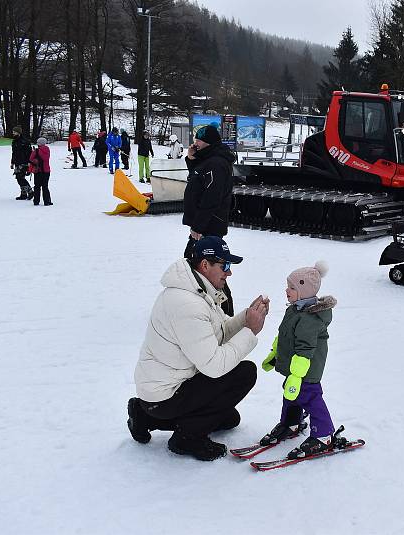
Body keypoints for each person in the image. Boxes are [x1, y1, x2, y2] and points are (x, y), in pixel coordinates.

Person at [128, 236, 269, 461]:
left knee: (228, 418)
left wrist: (245, 319)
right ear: (205, 265)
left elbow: (219, 332)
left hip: (161, 391)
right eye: (225, 266)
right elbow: (214, 366)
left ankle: (145, 417)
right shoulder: (187, 304)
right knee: (244, 373)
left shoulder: (197, 291)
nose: (229, 272)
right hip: (164, 395)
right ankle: (187, 438)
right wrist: (250, 332)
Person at [260, 261, 346, 459]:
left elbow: (305, 350)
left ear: (305, 291)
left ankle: (324, 435)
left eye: (292, 287)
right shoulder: (295, 310)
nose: (287, 290)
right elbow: (285, 335)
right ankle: (291, 423)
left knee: (309, 396)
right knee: (291, 394)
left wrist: (297, 375)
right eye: (287, 286)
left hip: (307, 367)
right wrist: (276, 353)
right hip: (296, 367)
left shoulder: (310, 318)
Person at [182, 124, 237, 315]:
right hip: (204, 225)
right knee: (194, 267)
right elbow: (198, 179)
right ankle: (201, 306)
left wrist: (198, 226)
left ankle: (224, 310)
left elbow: (211, 198)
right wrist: (191, 159)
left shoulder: (216, 163)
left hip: (208, 226)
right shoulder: (208, 160)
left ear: (209, 143)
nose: (195, 143)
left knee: (207, 270)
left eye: (199, 140)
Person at [10, 126, 34, 200]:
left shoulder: (25, 141)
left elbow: (30, 153)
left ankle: (30, 191)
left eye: (15, 132)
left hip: (24, 162)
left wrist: (29, 162)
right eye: (13, 132)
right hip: (17, 162)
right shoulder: (14, 141)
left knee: (20, 178)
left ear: (19, 133)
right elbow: (13, 153)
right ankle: (23, 194)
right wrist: (12, 162)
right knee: (19, 178)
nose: (13, 133)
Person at [29, 137, 52, 206]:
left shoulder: (36, 151)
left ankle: (36, 201)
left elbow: (31, 159)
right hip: (46, 171)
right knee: (45, 186)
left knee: (37, 186)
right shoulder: (47, 150)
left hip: (38, 170)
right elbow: (45, 158)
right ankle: (47, 201)